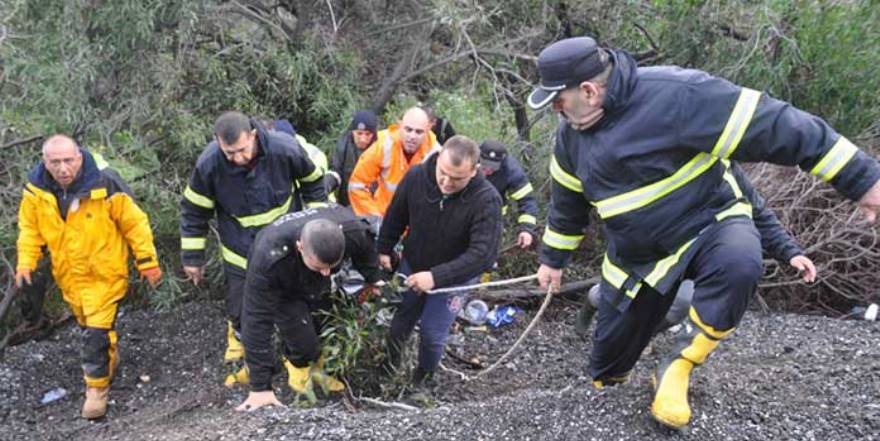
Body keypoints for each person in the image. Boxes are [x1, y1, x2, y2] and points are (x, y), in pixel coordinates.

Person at [528, 36, 880, 429]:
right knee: (606, 367)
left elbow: (778, 124)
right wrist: (552, 261)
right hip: (637, 260)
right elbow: (567, 206)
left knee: (739, 262)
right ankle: (609, 376)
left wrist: (862, 178)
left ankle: (678, 366)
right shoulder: (570, 138)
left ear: (590, 91)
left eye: (558, 100)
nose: (556, 110)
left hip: (709, 225)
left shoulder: (678, 96)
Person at [574, 162, 818, 337]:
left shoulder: (724, 167)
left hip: (698, 252)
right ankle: (592, 304)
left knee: (680, 304)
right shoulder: (651, 156)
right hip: (650, 251)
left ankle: (639, 338)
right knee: (615, 298)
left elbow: (756, 211)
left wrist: (790, 252)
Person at [15, 135, 162, 419]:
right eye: (55, 162)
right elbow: (30, 230)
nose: (62, 168)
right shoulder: (36, 191)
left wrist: (146, 261)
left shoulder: (105, 182)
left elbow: (135, 224)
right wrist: (26, 263)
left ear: (79, 157)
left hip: (105, 272)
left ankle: (96, 391)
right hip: (69, 275)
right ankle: (108, 358)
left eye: (68, 160)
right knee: (90, 327)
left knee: (95, 332)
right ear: (45, 161)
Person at [180, 111, 327, 384]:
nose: (238, 158)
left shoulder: (283, 149)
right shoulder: (209, 164)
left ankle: (298, 364)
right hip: (241, 254)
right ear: (217, 142)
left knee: (297, 311)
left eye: (242, 150)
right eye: (230, 153)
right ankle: (257, 367)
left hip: (287, 250)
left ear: (253, 136)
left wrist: (316, 228)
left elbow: (314, 183)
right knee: (243, 315)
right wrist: (192, 257)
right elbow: (194, 210)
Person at [377, 136, 502, 396]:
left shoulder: (486, 200)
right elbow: (396, 214)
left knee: (432, 334)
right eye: (442, 173)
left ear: (474, 171)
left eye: (456, 179)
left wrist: (436, 277)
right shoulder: (416, 177)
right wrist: (384, 248)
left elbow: (482, 255)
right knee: (400, 323)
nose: (446, 182)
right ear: (438, 160)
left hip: (454, 278)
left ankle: (423, 380)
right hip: (414, 263)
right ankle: (387, 370)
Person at [235, 206, 382, 411]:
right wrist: (260, 388)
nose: (326, 272)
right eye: (320, 266)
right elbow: (255, 319)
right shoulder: (268, 259)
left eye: (331, 266)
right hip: (284, 285)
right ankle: (298, 366)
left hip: (314, 282)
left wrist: (374, 279)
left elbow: (366, 249)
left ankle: (321, 368)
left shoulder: (351, 230)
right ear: (300, 246)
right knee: (303, 340)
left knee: (323, 323)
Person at [348, 107, 441, 219]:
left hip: (416, 222)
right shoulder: (384, 144)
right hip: (383, 216)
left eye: (419, 132)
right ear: (400, 126)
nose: (412, 136)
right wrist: (373, 218)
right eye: (408, 130)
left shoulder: (436, 154)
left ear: (428, 130)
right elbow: (357, 185)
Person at [479, 139, 540, 249]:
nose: (488, 170)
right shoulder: (466, 158)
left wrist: (526, 229)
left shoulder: (512, 171)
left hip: (493, 217)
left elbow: (527, 200)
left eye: (493, 167)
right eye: (484, 166)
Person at [329, 110, 380, 206]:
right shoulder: (343, 144)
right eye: (359, 133)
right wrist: (327, 184)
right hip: (346, 203)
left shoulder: (381, 148)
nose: (363, 139)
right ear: (352, 132)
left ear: (373, 134)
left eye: (367, 134)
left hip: (371, 205)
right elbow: (335, 170)